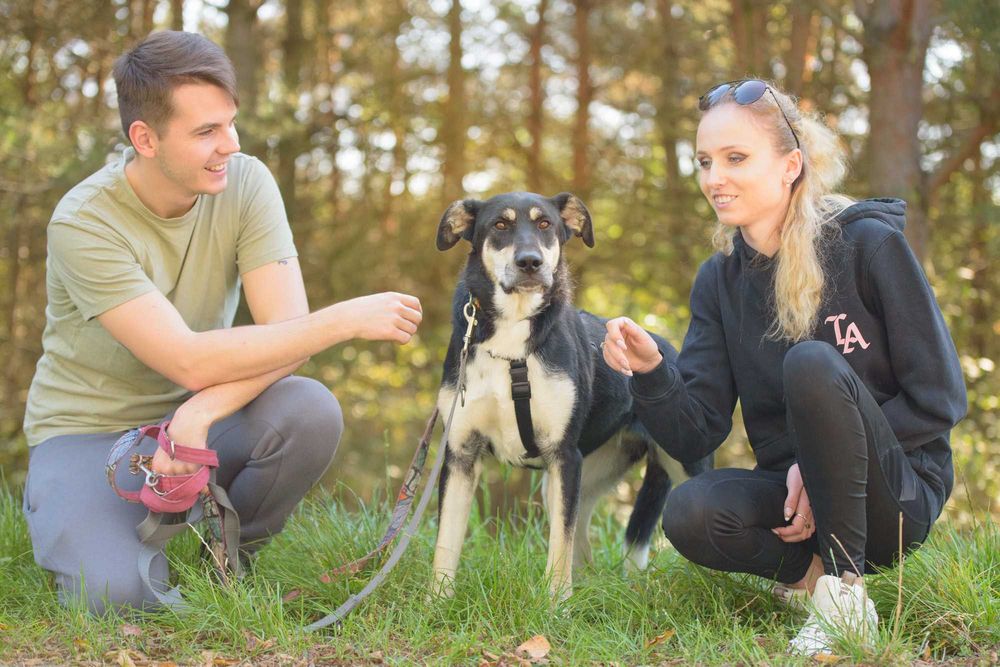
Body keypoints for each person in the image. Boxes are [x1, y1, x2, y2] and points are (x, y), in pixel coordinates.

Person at [21, 30, 423, 615]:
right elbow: (186, 358)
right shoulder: (84, 223)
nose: (229, 145)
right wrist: (341, 320)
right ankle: (97, 527)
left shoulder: (247, 182)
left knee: (306, 410)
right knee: (119, 597)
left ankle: (226, 554)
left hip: (200, 423)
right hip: (87, 433)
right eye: (206, 131)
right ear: (145, 138)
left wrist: (200, 411)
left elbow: (286, 335)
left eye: (230, 123)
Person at [600, 79, 966, 655]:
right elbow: (697, 428)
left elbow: (941, 397)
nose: (713, 179)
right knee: (690, 511)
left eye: (735, 158)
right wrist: (651, 372)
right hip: (799, 503)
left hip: (897, 492)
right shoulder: (718, 281)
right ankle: (815, 586)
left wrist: (826, 462)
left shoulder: (869, 246)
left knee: (812, 363)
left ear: (791, 164)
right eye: (704, 162)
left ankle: (849, 599)